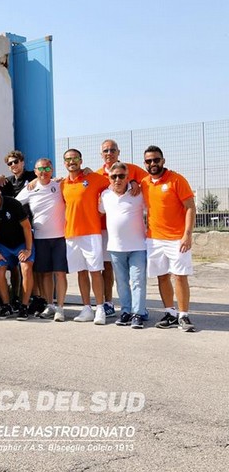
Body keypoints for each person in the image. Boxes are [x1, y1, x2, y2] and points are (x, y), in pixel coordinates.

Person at [141, 146, 196, 332]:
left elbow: (190, 207)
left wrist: (187, 235)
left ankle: (183, 315)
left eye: (156, 160)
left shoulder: (177, 180)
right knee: (162, 276)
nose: (153, 164)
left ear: (163, 160)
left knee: (180, 277)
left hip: (177, 239)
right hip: (154, 240)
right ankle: (170, 313)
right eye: (148, 161)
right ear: (145, 164)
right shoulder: (144, 183)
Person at [95, 139, 148, 311]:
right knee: (108, 269)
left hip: (131, 236)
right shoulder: (95, 175)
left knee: (116, 270)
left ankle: (113, 304)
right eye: (105, 151)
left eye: (112, 150)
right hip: (102, 229)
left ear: (119, 152)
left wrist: (134, 182)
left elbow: (149, 181)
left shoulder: (131, 169)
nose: (109, 153)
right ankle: (108, 302)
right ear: (101, 154)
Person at [60, 148, 111, 325]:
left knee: (95, 271)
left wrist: (133, 184)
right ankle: (87, 308)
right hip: (71, 235)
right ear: (64, 163)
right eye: (67, 159)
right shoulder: (63, 184)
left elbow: (114, 183)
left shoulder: (94, 178)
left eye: (74, 158)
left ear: (81, 161)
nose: (71, 162)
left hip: (91, 233)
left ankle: (100, 309)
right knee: (81, 272)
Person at [16, 158, 68, 321]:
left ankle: (60, 308)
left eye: (47, 168)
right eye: (40, 169)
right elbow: (15, 204)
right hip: (39, 238)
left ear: (52, 169)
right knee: (45, 274)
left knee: (60, 274)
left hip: (60, 237)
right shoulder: (30, 188)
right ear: (35, 171)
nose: (44, 172)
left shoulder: (60, 185)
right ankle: (50, 305)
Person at [0, 180, 34, 320]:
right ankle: (6, 306)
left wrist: (28, 249)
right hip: (3, 246)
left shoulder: (13, 204)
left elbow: (27, 227)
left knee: (26, 268)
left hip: (22, 243)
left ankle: (24, 306)